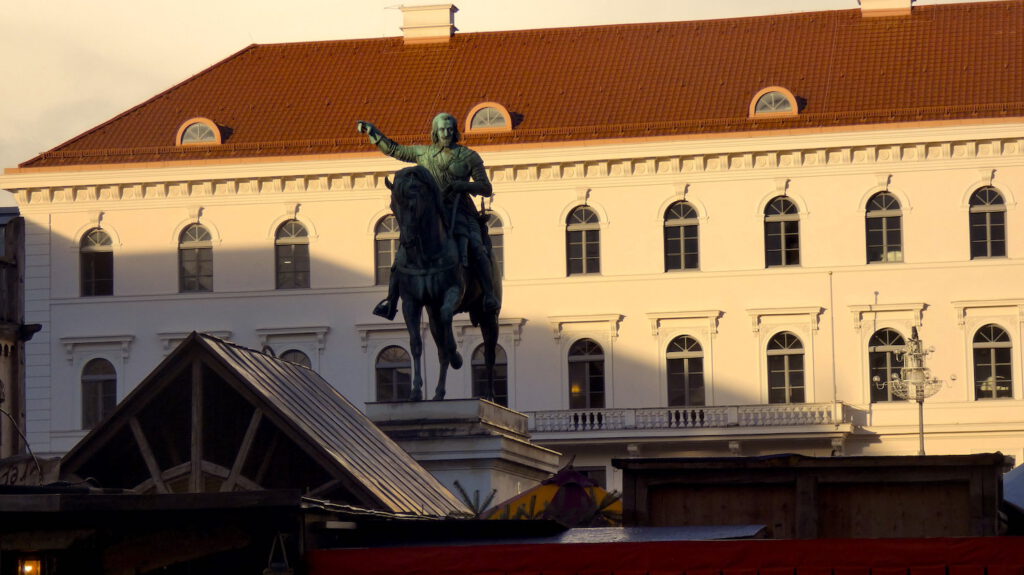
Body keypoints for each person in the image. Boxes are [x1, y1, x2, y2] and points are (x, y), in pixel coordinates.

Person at [357, 113, 499, 320]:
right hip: (432, 211)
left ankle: (488, 295)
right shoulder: (423, 153)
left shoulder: (469, 156)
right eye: (442, 129)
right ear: (435, 132)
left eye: (450, 129)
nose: (446, 133)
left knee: (477, 246)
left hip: (460, 210)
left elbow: (486, 187)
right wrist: (375, 133)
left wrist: (463, 185)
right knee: (404, 249)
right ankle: (391, 301)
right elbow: (395, 149)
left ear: (455, 130)